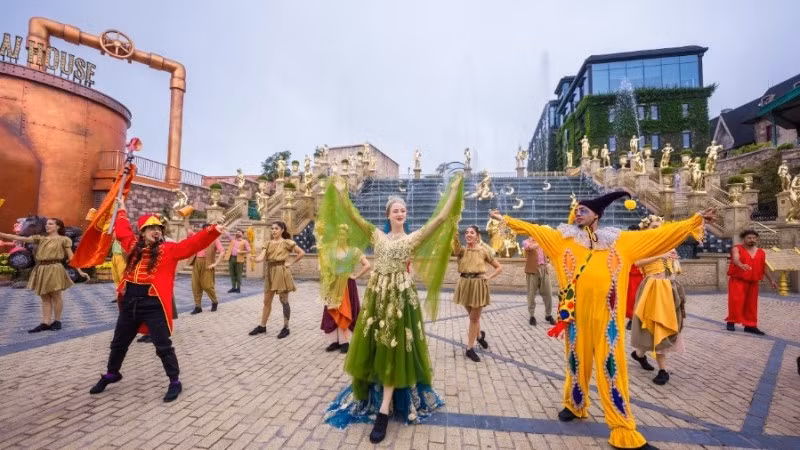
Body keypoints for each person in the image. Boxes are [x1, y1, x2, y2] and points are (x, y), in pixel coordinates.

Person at [491, 192, 715, 450]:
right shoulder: (561, 240)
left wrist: (693, 221)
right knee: (576, 363)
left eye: (584, 210)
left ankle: (622, 428)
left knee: (612, 369)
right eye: (577, 210)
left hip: (608, 321)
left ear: (597, 215)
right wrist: (505, 219)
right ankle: (575, 405)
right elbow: (533, 229)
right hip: (574, 319)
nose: (578, 214)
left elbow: (659, 236)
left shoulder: (620, 242)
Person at [322, 174, 463, 444]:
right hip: (378, 297)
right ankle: (375, 398)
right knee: (375, 345)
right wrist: (340, 193)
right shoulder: (376, 235)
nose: (401, 212)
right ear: (388, 215)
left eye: (403, 210)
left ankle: (384, 412)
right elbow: (353, 217)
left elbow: (441, 220)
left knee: (392, 348)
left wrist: (454, 190)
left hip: (400, 300)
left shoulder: (413, 239)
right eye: (396, 210)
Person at [89, 201, 225, 402]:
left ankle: (174, 381)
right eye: (151, 228)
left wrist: (212, 231)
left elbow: (192, 244)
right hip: (129, 303)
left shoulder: (169, 250)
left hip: (153, 305)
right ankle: (112, 374)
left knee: (163, 345)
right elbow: (124, 231)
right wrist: (122, 209)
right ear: (142, 232)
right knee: (119, 342)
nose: (156, 231)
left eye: (158, 228)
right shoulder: (132, 246)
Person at [0, 219, 88, 332]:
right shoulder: (41, 238)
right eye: (46, 224)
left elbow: (71, 258)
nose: (47, 226)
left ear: (58, 227)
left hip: (55, 268)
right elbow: (19, 238)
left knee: (56, 296)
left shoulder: (64, 240)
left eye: (50, 224)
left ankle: (57, 321)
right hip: (41, 268)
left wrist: (80, 271)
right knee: (45, 297)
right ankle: (45, 322)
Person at [629, 216, 685, 386]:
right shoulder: (645, 244)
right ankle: (663, 370)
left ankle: (639, 355)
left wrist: (674, 279)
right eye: (654, 226)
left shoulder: (668, 245)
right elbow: (637, 263)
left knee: (661, 326)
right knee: (655, 325)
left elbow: (675, 269)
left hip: (668, 287)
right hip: (652, 287)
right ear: (646, 229)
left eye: (660, 227)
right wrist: (662, 255)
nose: (657, 229)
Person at [452, 225, 503, 362]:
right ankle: (479, 336)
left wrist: (488, 277)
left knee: (474, 318)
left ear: (477, 235)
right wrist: (453, 231)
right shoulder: (461, 251)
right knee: (472, 316)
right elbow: (455, 246)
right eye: (467, 232)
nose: (468, 234)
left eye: (472, 233)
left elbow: (499, 267)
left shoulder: (483, 250)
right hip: (464, 284)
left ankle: (470, 348)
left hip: (478, 286)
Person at [320, 224, 370, 353]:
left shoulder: (354, 251)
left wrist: (355, 276)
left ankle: (345, 341)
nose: (341, 236)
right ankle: (334, 341)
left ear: (347, 235)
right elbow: (324, 266)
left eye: (343, 234)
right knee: (333, 310)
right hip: (333, 284)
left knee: (346, 310)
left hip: (347, 285)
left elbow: (367, 265)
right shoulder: (331, 251)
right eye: (339, 234)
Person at [250, 221, 305, 339]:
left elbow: (301, 253)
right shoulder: (268, 243)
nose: (273, 230)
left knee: (284, 301)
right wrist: (255, 259)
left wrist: (291, 262)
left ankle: (286, 327)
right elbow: (261, 257)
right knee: (266, 301)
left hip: (281, 271)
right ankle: (262, 326)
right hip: (270, 271)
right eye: (272, 228)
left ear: (282, 230)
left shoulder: (287, 242)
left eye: (276, 228)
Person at [726, 230, 777, 335]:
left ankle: (750, 325)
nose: (752, 240)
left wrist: (771, 280)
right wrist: (741, 265)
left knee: (751, 305)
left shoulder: (761, 252)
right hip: (738, 280)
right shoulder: (737, 248)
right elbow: (735, 259)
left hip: (753, 282)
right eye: (749, 238)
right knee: (736, 301)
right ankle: (731, 321)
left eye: (754, 238)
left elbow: (763, 267)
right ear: (744, 239)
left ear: (757, 239)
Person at [185, 219, 225, 314]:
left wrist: (215, 264)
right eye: (205, 231)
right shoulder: (198, 237)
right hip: (197, 262)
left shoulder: (215, 240)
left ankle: (214, 301)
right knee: (195, 285)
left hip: (208, 264)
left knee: (207, 286)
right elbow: (188, 231)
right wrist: (186, 218)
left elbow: (222, 251)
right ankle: (198, 306)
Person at [522, 236, 554, 326]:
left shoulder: (542, 242)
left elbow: (547, 254)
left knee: (548, 293)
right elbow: (530, 247)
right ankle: (532, 316)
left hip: (543, 269)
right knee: (531, 294)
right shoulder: (526, 242)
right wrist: (541, 241)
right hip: (532, 270)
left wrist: (547, 262)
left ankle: (548, 315)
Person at [625, 225, 644, 331]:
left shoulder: (642, 243)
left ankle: (636, 318)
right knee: (630, 298)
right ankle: (632, 318)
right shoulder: (626, 243)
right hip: (629, 274)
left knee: (638, 297)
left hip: (640, 274)